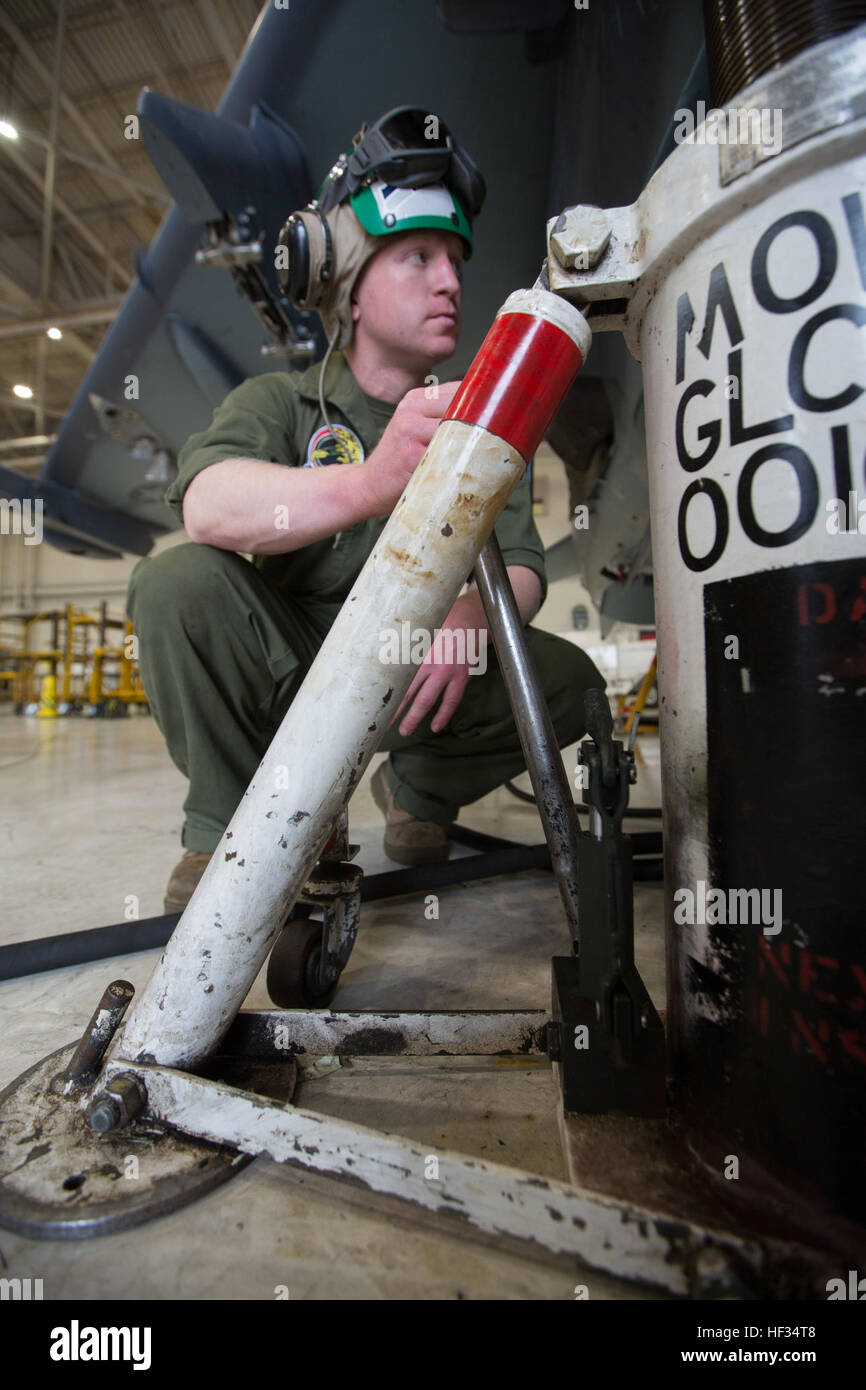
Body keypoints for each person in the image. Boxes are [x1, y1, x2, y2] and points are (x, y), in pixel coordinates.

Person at [126, 107, 605, 913]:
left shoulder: (481, 416)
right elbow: (207, 506)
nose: (451, 280)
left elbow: (522, 567)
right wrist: (370, 483)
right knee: (174, 585)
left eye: (454, 258)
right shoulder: (281, 402)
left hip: (417, 670)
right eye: (417, 256)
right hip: (295, 660)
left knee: (575, 686)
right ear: (344, 283)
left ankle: (417, 789)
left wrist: (468, 618)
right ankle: (231, 824)